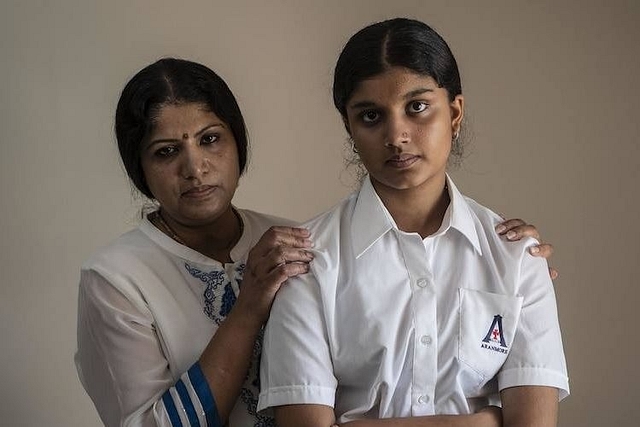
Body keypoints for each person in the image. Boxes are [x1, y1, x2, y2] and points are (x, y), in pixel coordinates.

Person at [75, 58, 555, 427]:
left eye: (211, 139)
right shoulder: (117, 280)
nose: (195, 168)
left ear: (238, 143)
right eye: (166, 152)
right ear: (140, 168)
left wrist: (510, 266)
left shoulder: (296, 241)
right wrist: (488, 421)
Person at [258, 18, 569, 427]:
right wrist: (484, 422)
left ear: (455, 113)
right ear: (349, 127)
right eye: (371, 116)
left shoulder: (516, 257)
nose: (397, 135)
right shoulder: (308, 262)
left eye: (417, 107)